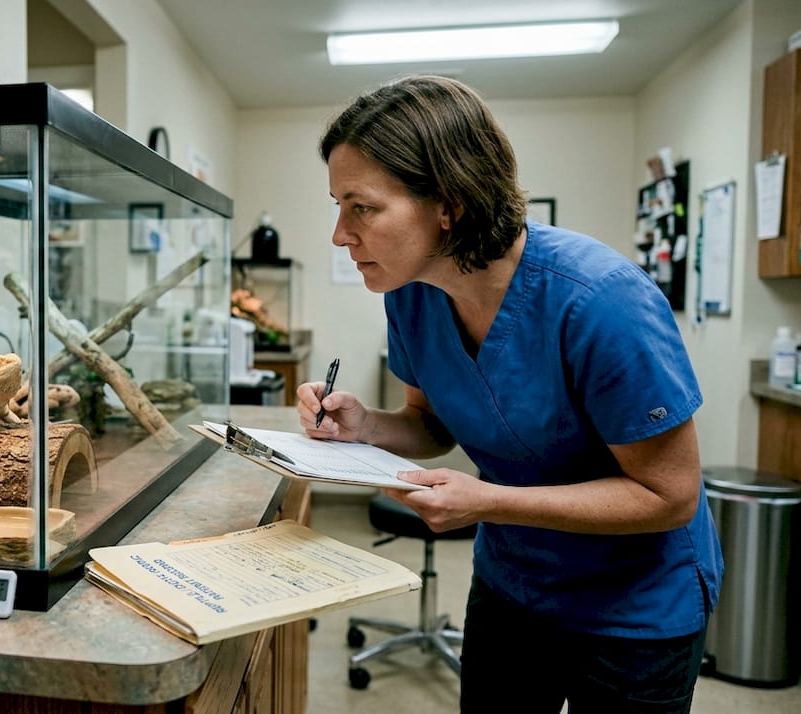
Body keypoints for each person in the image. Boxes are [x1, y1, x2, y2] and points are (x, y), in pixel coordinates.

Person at [298, 75, 723, 713]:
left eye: (361, 207)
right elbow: (431, 424)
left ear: (450, 202)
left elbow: (669, 495)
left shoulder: (602, 301)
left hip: (635, 605)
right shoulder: (411, 295)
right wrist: (367, 426)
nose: (339, 233)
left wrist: (490, 501)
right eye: (338, 206)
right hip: (512, 584)